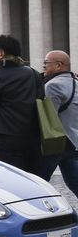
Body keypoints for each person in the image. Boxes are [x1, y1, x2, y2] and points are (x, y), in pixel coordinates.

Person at [0, 34, 44, 176]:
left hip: (7, 134)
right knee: (33, 175)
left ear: (1, 53)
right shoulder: (33, 73)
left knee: (13, 176)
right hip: (33, 133)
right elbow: (41, 98)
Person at [38, 51, 78, 197]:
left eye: (46, 62)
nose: (43, 65)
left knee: (38, 182)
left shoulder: (53, 85)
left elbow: (48, 117)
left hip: (55, 142)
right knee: (74, 182)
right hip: (72, 140)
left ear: (59, 65)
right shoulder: (74, 82)